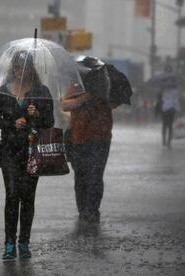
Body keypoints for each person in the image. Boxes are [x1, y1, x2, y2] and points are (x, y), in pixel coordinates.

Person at [0, 50, 54, 261]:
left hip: (31, 150)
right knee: (11, 194)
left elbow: (50, 121)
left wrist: (37, 115)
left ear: (30, 69)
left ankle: (24, 242)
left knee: (28, 198)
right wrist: (11, 123)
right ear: (12, 68)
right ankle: (9, 243)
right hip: (9, 150)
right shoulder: (3, 91)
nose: (20, 71)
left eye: (24, 67)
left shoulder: (41, 92)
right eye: (17, 67)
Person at [62, 58, 119, 224]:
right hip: (78, 137)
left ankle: (92, 210)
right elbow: (65, 105)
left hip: (100, 138)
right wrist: (83, 99)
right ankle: (82, 209)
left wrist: (104, 96)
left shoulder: (107, 88)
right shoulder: (76, 86)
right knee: (81, 175)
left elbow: (114, 105)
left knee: (95, 176)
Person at [160, 80, 179, 148]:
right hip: (171, 109)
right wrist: (177, 109)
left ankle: (164, 140)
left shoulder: (164, 90)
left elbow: (162, 99)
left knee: (164, 125)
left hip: (165, 109)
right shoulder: (175, 90)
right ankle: (169, 142)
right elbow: (176, 100)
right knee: (170, 125)